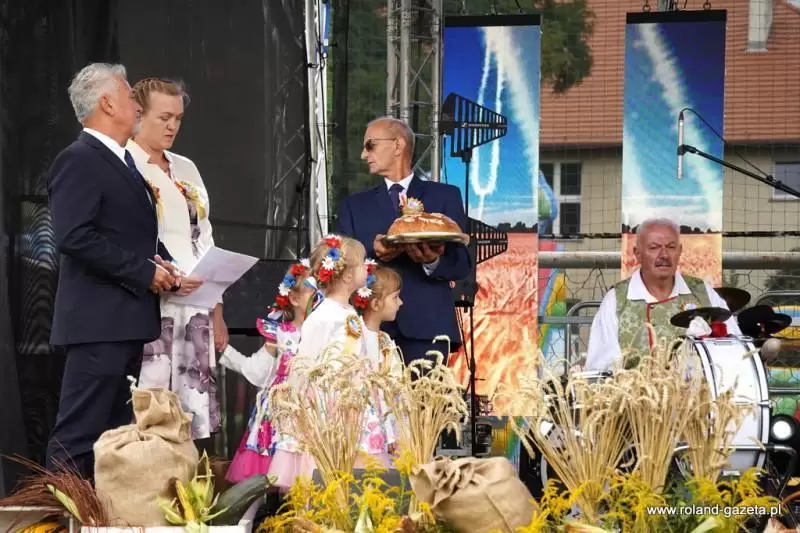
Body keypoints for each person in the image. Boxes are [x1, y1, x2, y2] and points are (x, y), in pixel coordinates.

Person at [45, 63, 180, 480]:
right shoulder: (79, 159)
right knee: (79, 434)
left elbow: (124, 233)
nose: (136, 105)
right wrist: (142, 272)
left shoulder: (121, 161)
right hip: (97, 324)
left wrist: (160, 261)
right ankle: (60, 511)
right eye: (127, 94)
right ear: (106, 103)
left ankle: (100, 510)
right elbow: (74, 235)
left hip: (125, 323)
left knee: (113, 437)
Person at [127, 77, 228, 448]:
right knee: (151, 407)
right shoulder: (126, 163)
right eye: (164, 117)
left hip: (196, 304)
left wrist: (217, 310)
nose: (172, 126)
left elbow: (205, 236)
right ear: (139, 114)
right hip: (153, 300)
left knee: (192, 412)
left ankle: (186, 479)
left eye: (179, 119)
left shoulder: (186, 167)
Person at [337, 117, 471, 365]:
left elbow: (462, 264)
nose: (364, 155)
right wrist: (372, 250)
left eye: (370, 145)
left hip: (427, 330)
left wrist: (432, 261)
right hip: (369, 328)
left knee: (426, 393)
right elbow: (338, 264)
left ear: (398, 145)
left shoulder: (445, 196)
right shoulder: (354, 206)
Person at [585, 218, 742, 372]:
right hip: (634, 390)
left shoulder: (702, 292)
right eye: (654, 248)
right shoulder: (616, 301)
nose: (664, 255)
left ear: (679, 251)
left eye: (671, 247)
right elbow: (601, 368)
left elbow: (735, 351)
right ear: (638, 254)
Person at [298, 235, 396, 467]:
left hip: (357, 401)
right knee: (335, 463)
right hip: (332, 405)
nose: (366, 268)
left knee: (361, 465)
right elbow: (304, 362)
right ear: (348, 276)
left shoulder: (350, 313)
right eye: (362, 264)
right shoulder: (323, 316)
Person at [219, 260, 317, 488]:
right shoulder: (280, 333)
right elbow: (258, 371)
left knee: (306, 470)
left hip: (313, 407)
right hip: (282, 409)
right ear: (294, 299)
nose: (318, 298)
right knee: (272, 472)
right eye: (312, 293)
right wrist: (225, 351)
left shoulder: (327, 331)